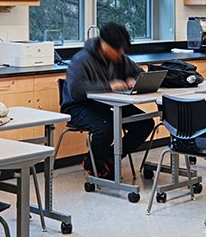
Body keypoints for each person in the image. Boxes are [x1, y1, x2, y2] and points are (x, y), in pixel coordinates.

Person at [61, 21, 157, 179]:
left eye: (122, 49)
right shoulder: (81, 60)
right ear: (104, 44)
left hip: (111, 104)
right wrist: (109, 85)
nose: (120, 53)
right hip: (80, 107)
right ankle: (95, 164)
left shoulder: (120, 58)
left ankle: (111, 158)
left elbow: (139, 72)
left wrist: (135, 80)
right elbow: (76, 90)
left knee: (144, 123)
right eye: (117, 49)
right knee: (106, 127)